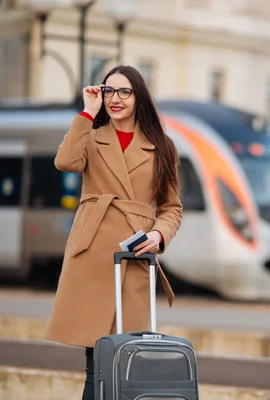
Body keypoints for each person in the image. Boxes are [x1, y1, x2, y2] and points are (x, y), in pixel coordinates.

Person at [45, 65, 183, 400]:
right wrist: (87, 113)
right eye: (108, 91)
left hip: (133, 255)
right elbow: (65, 162)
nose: (115, 99)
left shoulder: (162, 146)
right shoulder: (91, 136)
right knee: (96, 360)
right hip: (93, 254)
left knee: (127, 358)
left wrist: (158, 235)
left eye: (124, 92)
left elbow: (171, 208)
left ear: (139, 97)